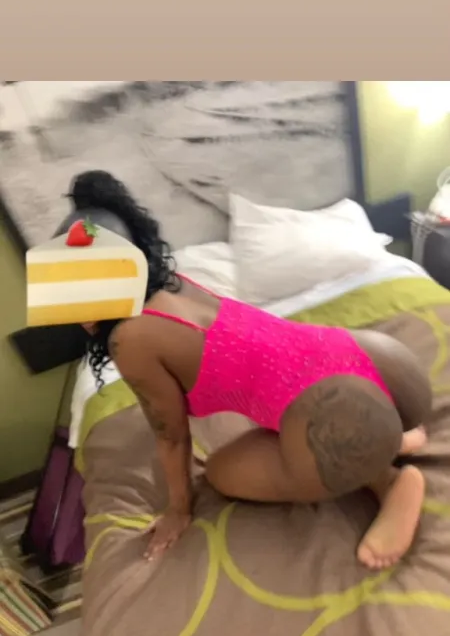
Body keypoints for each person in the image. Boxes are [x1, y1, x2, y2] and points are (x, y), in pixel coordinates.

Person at [60, 171, 433, 568]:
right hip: (370, 358)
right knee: (308, 415)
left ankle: (392, 481)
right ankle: (389, 436)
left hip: (332, 409)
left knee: (220, 474)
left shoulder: (129, 340)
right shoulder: (175, 283)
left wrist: (178, 510)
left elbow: (171, 436)